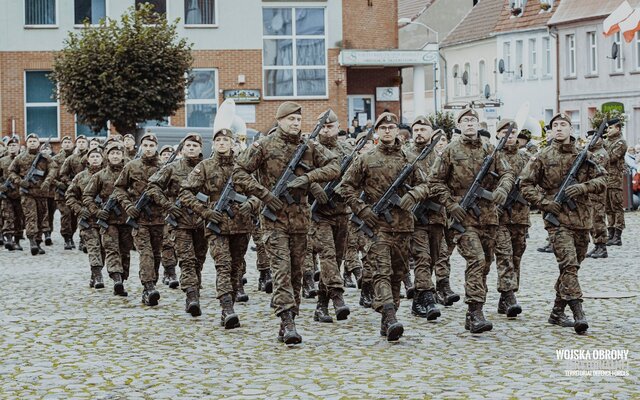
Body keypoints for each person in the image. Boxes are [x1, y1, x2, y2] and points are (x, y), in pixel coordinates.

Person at [233, 101, 340, 344]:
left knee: (296, 273)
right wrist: (264, 194)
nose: (295, 124)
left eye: (298, 120)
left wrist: (309, 178)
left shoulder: (308, 146)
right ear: (280, 121)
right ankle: (287, 321)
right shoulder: (264, 145)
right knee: (281, 271)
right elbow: (239, 171)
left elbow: (335, 166)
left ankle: (290, 318)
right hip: (274, 221)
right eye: (290, 119)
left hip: (301, 221)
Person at [338, 112, 431, 341]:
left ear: (397, 131)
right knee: (381, 271)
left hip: (403, 226)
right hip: (377, 225)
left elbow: (426, 185)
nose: (388, 131)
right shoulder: (366, 159)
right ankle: (389, 315)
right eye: (383, 128)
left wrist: (413, 194)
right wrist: (362, 209)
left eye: (391, 127)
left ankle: (389, 317)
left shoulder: (409, 159)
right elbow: (345, 187)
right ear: (377, 132)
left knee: (398, 273)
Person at [430, 108, 514, 334]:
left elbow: (507, 174)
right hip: (462, 217)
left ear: (479, 124)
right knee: (476, 259)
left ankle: (474, 310)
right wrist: (450, 204)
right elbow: (435, 182)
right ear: (459, 125)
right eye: (465, 120)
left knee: (485, 263)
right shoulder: (450, 150)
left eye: (473, 120)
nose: (469, 124)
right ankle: (475, 312)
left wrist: (502, 191)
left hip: (488, 217)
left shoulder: (491, 149)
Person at [520, 113, 606, 335]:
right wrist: (545, 203)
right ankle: (579, 313)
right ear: (550, 131)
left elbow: (603, 179)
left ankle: (557, 312)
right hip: (557, 220)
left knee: (573, 266)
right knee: (568, 264)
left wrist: (584, 187)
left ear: (570, 129)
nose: (559, 128)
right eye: (555, 125)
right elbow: (526, 184)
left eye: (563, 125)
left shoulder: (584, 155)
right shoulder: (542, 156)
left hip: (582, 218)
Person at [180, 131, 259, 327]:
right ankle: (227, 308)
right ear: (213, 145)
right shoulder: (205, 166)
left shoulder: (242, 167)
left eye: (226, 140)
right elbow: (185, 192)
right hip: (216, 226)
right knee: (223, 266)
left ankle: (229, 306)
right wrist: (205, 211)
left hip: (241, 225)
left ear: (232, 144)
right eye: (218, 140)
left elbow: (259, 192)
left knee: (236, 267)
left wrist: (251, 204)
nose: (222, 143)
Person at [148, 135, 207, 310]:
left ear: (200, 149)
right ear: (182, 149)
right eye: (188, 145)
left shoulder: (207, 167)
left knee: (199, 259)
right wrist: (167, 205)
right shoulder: (172, 168)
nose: (191, 148)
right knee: (187, 259)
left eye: (195, 145)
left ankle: (194, 285)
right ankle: (191, 296)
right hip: (180, 221)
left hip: (202, 220)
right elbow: (152, 187)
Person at [304, 109, 352, 324]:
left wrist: (344, 189)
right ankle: (338, 297)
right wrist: (314, 187)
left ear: (338, 126)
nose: (326, 130)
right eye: (322, 126)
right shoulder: (309, 149)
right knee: (328, 255)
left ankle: (321, 306)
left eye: (330, 126)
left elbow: (356, 177)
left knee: (337, 260)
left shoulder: (347, 150)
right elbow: (300, 173)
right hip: (318, 213)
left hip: (341, 212)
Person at [407, 118, 455, 321]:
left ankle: (418, 299)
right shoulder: (406, 156)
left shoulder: (440, 156)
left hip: (436, 217)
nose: (419, 133)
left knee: (435, 258)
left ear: (431, 132)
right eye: (416, 129)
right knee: (422, 257)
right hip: (415, 218)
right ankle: (427, 298)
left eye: (423, 129)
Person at [113, 133, 165, 307]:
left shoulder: (164, 167)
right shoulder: (131, 166)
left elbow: (174, 190)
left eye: (152, 145)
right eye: (146, 145)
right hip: (139, 219)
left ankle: (151, 285)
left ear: (156, 147)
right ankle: (148, 286)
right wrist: (128, 206)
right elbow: (119, 189)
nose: (148, 148)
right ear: (141, 146)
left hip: (159, 218)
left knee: (157, 254)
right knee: (146, 253)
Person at [84, 142, 133, 297]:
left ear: (123, 155)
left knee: (125, 252)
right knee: (112, 250)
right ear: (107, 156)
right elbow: (87, 196)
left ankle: (122, 279)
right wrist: (97, 212)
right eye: (112, 153)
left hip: (126, 219)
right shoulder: (100, 176)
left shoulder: (130, 173)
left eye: (118, 153)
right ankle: (116, 279)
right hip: (108, 220)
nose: (115, 156)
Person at [493, 119, 530, 318]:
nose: (510, 135)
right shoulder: (492, 156)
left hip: (520, 216)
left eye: (514, 132)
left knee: (516, 257)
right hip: (498, 217)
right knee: (504, 256)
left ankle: (506, 297)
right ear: (498, 134)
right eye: (505, 131)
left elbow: (535, 183)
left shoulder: (526, 159)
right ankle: (508, 296)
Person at [66, 147, 106, 288]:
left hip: (105, 218)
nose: (95, 159)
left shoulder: (108, 175)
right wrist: (79, 209)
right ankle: (98, 276)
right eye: (92, 156)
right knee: (93, 246)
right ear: (87, 159)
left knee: (103, 248)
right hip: (87, 219)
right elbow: (70, 196)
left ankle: (94, 274)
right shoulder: (80, 177)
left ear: (102, 158)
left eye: (98, 156)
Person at [8, 133, 53, 255]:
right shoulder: (20, 158)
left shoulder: (45, 157)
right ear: (26, 143)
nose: (32, 143)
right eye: (30, 141)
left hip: (41, 192)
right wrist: (20, 182)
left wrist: (47, 182)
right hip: (27, 193)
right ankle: (32, 241)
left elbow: (53, 169)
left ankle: (38, 241)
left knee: (40, 217)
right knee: (30, 216)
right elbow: (11, 171)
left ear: (38, 143)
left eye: (34, 141)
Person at [585, 130, 610, 259]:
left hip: (597, 192)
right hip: (590, 192)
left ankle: (602, 247)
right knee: (591, 219)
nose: (590, 140)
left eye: (593, 137)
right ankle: (596, 245)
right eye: (589, 138)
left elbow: (597, 171)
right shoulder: (592, 153)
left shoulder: (600, 154)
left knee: (598, 219)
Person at [48, 136, 76, 250]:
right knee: (66, 214)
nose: (67, 144)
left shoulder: (77, 158)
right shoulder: (56, 159)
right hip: (61, 192)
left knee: (74, 216)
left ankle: (72, 235)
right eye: (65, 142)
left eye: (69, 142)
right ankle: (67, 238)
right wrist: (58, 184)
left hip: (74, 192)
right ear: (62, 145)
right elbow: (50, 175)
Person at [603, 121, 627, 246]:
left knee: (616, 207)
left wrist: (601, 152)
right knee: (608, 208)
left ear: (618, 128)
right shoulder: (606, 142)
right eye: (608, 128)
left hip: (615, 180)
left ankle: (618, 235)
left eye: (611, 128)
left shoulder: (621, 142)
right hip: (606, 179)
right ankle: (610, 233)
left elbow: (611, 158)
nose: (608, 130)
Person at [0, 136, 24, 250]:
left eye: (14, 145)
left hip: (21, 193)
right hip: (7, 194)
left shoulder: (23, 159)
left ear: (18, 147)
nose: (12, 148)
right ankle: (9, 239)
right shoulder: (2, 161)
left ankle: (17, 240)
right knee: (7, 216)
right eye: (9, 146)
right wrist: (1, 187)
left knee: (19, 217)